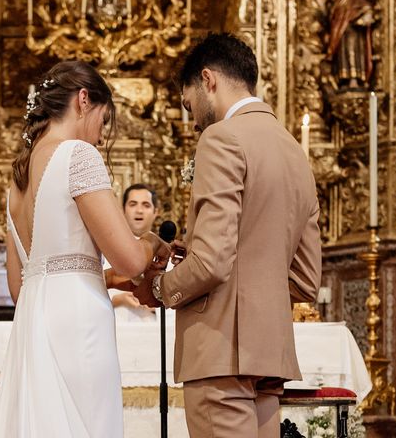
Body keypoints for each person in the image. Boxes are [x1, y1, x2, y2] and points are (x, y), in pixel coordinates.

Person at [135, 33, 322, 438]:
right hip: (268, 358)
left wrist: (159, 287)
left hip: (221, 354)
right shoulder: (294, 151)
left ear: (208, 80)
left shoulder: (221, 138)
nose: (195, 119)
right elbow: (306, 279)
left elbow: (212, 263)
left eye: (189, 104)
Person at [0, 61, 170, 437]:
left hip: (34, 322)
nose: (101, 137)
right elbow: (131, 259)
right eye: (103, 121)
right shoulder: (77, 156)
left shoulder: (17, 180)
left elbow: (20, 287)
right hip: (80, 325)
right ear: (84, 100)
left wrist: (100, 277)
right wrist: (153, 241)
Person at [108, 184, 160, 320]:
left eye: (146, 205)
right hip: (117, 329)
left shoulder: (166, 254)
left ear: (156, 212)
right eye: (133, 204)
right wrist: (116, 300)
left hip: (154, 330)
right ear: (123, 210)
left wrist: (158, 303)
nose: (139, 210)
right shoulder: (107, 250)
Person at [326, 0, 374, 90]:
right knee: (343, 56)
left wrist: (361, 19)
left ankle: (354, 80)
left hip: (353, 31)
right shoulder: (339, 0)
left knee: (353, 54)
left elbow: (366, 8)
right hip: (340, 33)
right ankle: (343, 79)